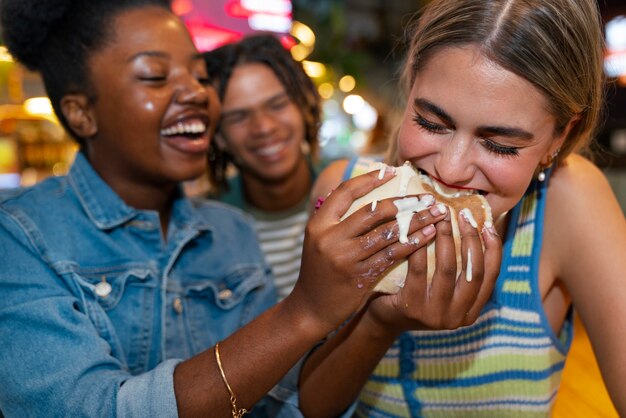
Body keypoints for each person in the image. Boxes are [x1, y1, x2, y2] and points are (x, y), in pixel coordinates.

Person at [0, 0, 501, 417]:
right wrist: (305, 310)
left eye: (198, 75)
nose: (195, 92)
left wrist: (376, 322)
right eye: (155, 76)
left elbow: (283, 404)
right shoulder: (20, 236)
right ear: (80, 112)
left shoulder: (230, 232)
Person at [308, 0, 626, 416]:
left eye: (500, 145)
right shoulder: (346, 194)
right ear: (410, 83)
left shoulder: (566, 203)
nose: (451, 169)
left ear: (558, 137)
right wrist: (377, 325)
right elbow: (312, 406)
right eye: (430, 123)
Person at [203, 34, 325, 299]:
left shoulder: (357, 190)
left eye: (277, 105)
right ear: (219, 136)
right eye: (238, 117)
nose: (264, 127)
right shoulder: (202, 232)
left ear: (303, 106)